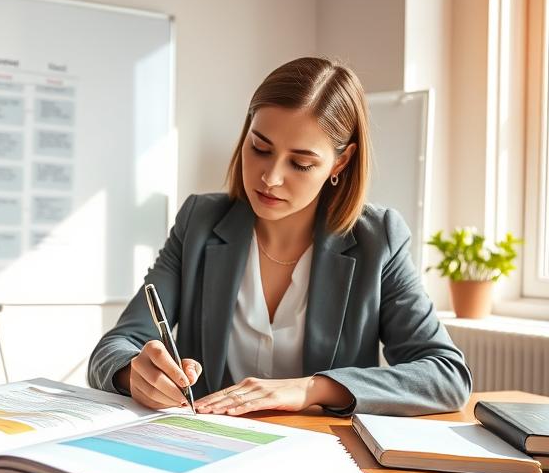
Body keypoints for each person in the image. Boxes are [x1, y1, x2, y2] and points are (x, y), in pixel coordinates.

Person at [88, 57, 471, 417]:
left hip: (323, 458)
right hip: (206, 449)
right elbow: (112, 349)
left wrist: (312, 389)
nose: (270, 177)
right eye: (260, 148)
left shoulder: (378, 238)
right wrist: (134, 373)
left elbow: (446, 376)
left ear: (341, 161)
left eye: (301, 163)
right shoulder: (199, 221)